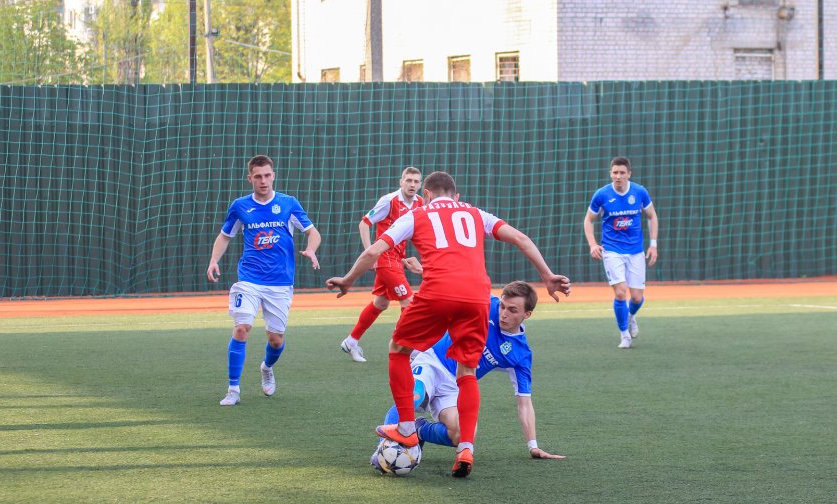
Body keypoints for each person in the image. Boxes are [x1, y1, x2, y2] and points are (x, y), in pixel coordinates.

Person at [327, 171, 570, 478]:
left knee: (398, 349)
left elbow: (375, 249)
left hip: (437, 291)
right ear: (456, 196)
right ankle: (465, 448)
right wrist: (547, 275)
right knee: (467, 371)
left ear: (426, 194)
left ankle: (406, 428)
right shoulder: (476, 213)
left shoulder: (418, 213)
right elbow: (521, 238)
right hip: (477, 296)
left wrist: (348, 280)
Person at [374, 281, 565, 470]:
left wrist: (533, 446)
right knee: (414, 396)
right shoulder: (487, 304)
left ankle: (419, 430)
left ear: (527, 314)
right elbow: (455, 286)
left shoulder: (520, 354)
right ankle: (384, 451)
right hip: (432, 361)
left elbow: (524, 402)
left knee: (463, 433)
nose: (503, 313)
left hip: (455, 385)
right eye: (503, 306)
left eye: (512, 310)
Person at [206, 154, 321, 406]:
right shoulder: (240, 206)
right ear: (250, 178)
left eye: (267, 175)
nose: (263, 181)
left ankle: (267, 367)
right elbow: (225, 235)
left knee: (275, 340)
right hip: (249, 278)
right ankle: (233, 389)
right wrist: (214, 260)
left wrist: (311, 249)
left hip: (280, 282)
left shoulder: (288, 203)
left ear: (273, 175)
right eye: (258, 176)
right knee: (241, 328)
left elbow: (312, 232)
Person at [340, 167, 424, 363]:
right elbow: (364, 223)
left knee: (381, 303)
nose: (412, 184)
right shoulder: (389, 201)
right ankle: (407, 348)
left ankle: (351, 341)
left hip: (398, 258)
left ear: (420, 184)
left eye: (416, 181)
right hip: (384, 257)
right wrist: (371, 254)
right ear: (401, 181)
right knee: (409, 302)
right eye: (408, 180)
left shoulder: (420, 203)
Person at [583, 156, 658, 349]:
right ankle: (624, 335)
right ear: (610, 174)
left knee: (637, 298)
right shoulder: (602, 195)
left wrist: (653, 244)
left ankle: (631, 316)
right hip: (612, 250)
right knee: (621, 292)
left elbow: (652, 216)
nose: (618, 176)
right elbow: (588, 220)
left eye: (622, 173)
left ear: (629, 174)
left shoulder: (639, 192)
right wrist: (593, 244)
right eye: (615, 172)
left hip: (636, 251)